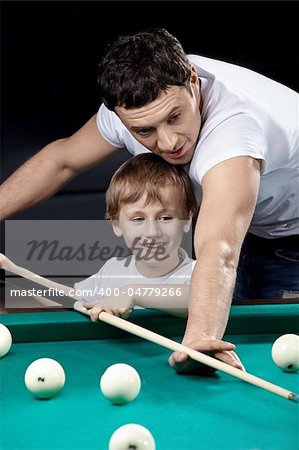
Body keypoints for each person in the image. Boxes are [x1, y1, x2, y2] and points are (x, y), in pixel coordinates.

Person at [0, 28, 298, 373]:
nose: (169, 142)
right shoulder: (131, 109)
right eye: (145, 132)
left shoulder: (233, 132)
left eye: (175, 117)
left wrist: (199, 340)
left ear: (191, 79)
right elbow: (61, 162)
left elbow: (220, 248)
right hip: (248, 230)